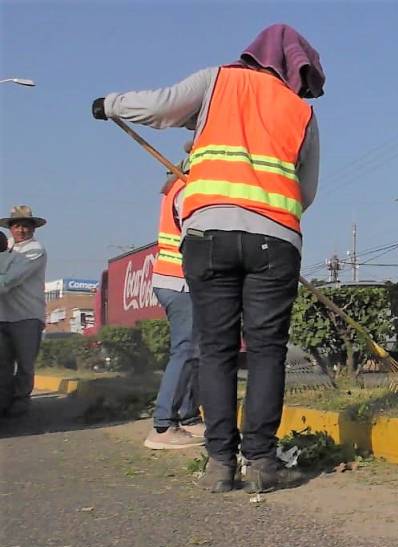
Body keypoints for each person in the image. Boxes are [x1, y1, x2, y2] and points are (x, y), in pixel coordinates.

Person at [93, 24, 323, 493]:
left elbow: (159, 107)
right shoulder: (301, 112)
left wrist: (110, 104)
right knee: (265, 351)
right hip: (275, 240)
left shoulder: (217, 80)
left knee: (215, 350)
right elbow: (308, 192)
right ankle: (260, 460)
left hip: (209, 235)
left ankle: (220, 463)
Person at [144, 148, 205, 450]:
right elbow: (197, 238)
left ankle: (189, 417)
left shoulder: (178, 186)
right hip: (180, 281)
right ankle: (163, 424)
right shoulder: (189, 189)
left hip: (175, 280)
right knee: (186, 350)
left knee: (195, 351)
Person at [0, 206, 48, 417]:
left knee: (25, 363)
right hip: (3, 316)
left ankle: (21, 401)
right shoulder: (6, 248)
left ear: (33, 229)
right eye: (17, 225)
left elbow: (9, 280)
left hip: (27, 315)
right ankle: (5, 401)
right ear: (11, 228)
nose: (21, 230)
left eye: (26, 226)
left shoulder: (35, 250)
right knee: (3, 363)